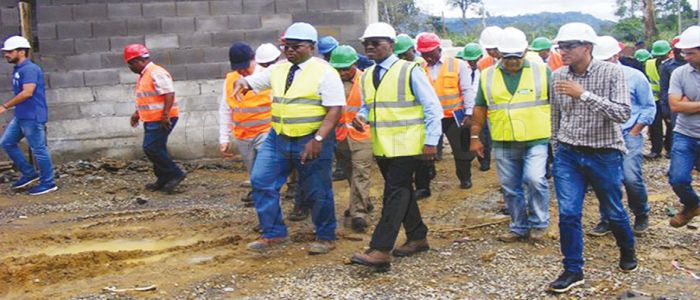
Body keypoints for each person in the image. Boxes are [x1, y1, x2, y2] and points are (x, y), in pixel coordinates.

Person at [232, 22, 344, 255]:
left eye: (296, 46)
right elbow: (254, 81)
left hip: (310, 139)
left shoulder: (325, 72)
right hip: (279, 137)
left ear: (311, 47)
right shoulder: (279, 69)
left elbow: (335, 109)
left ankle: (325, 235)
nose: (289, 50)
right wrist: (242, 83)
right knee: (261, 180)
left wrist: (319, 139)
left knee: (317, 190)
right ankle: (273, 233)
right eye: (286, 46)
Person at [548, 23, 637, 293]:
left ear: (587, 47)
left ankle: (627, 250)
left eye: (569, 46)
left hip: (604, 153)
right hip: (568, 154)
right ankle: (572, 269)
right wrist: (556, 150)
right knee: (568, 213)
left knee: (613, 210)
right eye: (560, 46)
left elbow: (622, 113)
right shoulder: (558, 75)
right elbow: (556, 116)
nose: (563, 51)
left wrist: (583, 94)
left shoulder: (612, 73)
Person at [349, 22, 443, 270]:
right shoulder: (368, 74)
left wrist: (431, 141)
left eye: (376, 43)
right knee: (403, 193)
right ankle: (417, 236)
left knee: (395, 193)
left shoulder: (409, 70)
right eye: (366, 43)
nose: (370, 47)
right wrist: (361, 116)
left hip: (408, 144)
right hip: (383, 146)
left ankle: (380, 249)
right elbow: (370, 106)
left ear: (391, 45)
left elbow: (433, 107)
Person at [469, 27, 552, 243]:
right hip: (504, 138)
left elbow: (558, 104)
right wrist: (475, 137)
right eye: (508, 56)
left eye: (517, 56)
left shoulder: (542, 71)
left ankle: (540, 223)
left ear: (525, 51)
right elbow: (480, 108)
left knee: (535, 179)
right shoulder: (487, 75)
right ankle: (519, 226)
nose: (513, 61)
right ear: (499, 53)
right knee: (509, 185)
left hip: (536, 138)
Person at [589, 36, 656, 236]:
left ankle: (641, 212)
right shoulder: (591, 78)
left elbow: (648, 107)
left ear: (616, 56)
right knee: (606, 180)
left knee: (630, 177)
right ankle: (608, 218)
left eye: (606, 60)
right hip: (602, 136)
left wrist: (635, 131)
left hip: (628, 133)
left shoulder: (634, 77)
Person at [416, 33, 477, 190]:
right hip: (430, 118)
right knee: (426, 149)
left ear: (439, 49)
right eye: (424, 54)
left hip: (454, 115)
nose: (427, 57)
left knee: (462, 149)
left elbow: (466, 90)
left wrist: (469, 113)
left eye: (430, 53)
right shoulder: (418, 68)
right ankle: (424, 184)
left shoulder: (458, 65)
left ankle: (465, 178)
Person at [123, 44, 186, 193]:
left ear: (138, 61)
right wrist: (137, 113)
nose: (130, 68)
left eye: (131, 64)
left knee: (151, 148)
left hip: (161, 118)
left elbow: (169, 93)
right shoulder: (145, 74)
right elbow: (148, 98)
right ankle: (163, 178)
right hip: (152, 118)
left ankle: (175, 173)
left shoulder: (156, 72)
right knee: (158, 148)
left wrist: (165, 115)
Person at [0, 36, 57, 195]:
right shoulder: (18, 69)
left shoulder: (29, 69)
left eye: (10, 52)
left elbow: (28, 92)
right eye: (6, 52)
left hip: (32, 115)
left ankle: (48, 182)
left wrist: (5, 106)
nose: (6, 55)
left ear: (22, 51)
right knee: (7, 142)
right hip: (22, 115)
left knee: (39, 149)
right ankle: (29, 173)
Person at [218, 42, 272, 205]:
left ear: (253, 59)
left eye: (245, 66)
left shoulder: (267, 76)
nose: (242, 71)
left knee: (264, 172)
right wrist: (224, 138)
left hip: (266, 131)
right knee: (254, 172)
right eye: (238, 68)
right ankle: (260, 196)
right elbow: (225, 108)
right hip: (243, 135)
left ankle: (266, 204)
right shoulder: (230, 80)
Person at [328, 45, 374, 233]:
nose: (342, 73)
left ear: (354, 64)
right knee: (349, 173)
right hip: (340, 137)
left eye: (346, 68)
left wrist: (365, 117)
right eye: (338, 69)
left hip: (363, 135)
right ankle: (363, 201)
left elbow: (373, 104)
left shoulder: (366, 80)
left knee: (361, 172)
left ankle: (359, 213)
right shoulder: (329, 81)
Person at [667, 25, 700, 228]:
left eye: (690, 53)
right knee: (677, 178)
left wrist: (690, 105)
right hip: (684, 134)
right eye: (683, 52)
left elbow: (683, 105)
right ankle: (693, 205)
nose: (685, 56)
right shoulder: (679, 73)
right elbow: (675, 105)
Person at [459, 43, 491, 171]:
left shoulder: (485, 72)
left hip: (480, 109)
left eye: (474, 59)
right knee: (467, 135)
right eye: (469, 60)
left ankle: (484, 160)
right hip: (465, 109)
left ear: (480, 57)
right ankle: (469, 157)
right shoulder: (462, 71)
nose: (472, 62)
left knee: (483, 136)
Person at [644, 40, 673, 159]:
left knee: (670, 125)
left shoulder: (673, 65)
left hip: (667, 99)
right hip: (655, 99)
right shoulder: (649, 64)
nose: (661, 58)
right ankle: (657, 150)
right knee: (655, 125)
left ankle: (669, 149)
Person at [659, 37, 686, 156]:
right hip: (675, 104)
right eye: (677, 49)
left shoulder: (694, 64)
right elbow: (664, 89)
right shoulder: (667, 66)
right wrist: (665, 108)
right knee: (677, 132)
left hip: (693, 103)